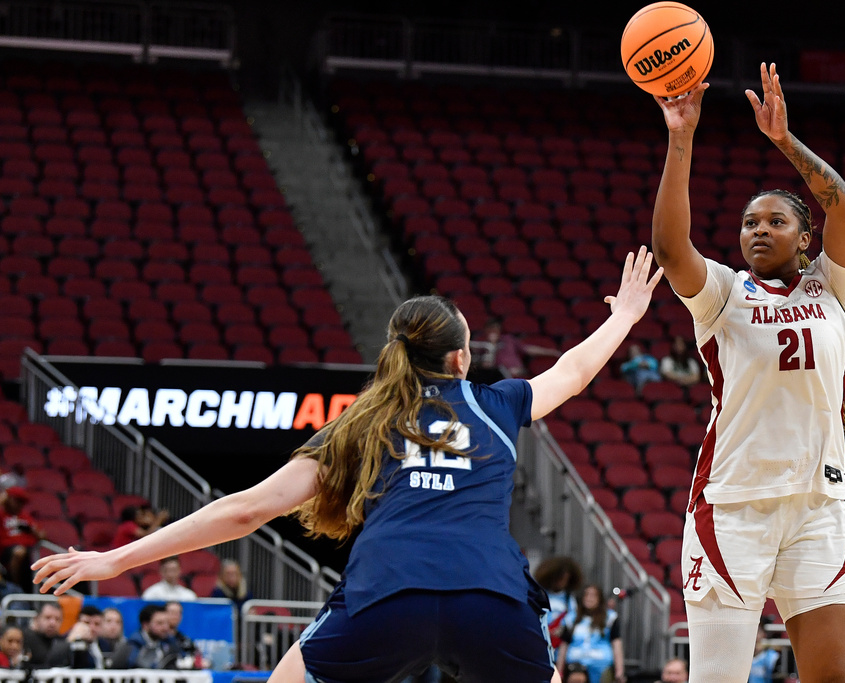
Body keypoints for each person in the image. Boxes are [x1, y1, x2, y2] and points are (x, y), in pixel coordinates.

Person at [32, 251, 663, 683]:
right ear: (461, 361)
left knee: (289, 674)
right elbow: (575, 373)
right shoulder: (497, 404)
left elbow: (246, 509)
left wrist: (114, 561)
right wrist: (624, 315)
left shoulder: (361, 423)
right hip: (489, 599)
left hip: (387, 597)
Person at [650, 62, 845, 683]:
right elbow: (673, 251)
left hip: (818, 505)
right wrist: (682, 137)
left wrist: (784, 141)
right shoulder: (724, 294)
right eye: (749, 223)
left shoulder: (834, 287)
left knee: (835, 676)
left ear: (804, 235)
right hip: (732, 508)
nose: (758, 229)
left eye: (775, 220)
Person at [559, 584, 625, 683]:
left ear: (600, 598)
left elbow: (616, 644)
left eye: (593, 595)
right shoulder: (571, 618)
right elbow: (564, 645)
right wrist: (559, 671)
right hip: (576, 666)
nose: (589, 598)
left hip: (601, 666)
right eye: (586, 595)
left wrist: (619, 671)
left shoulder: (610, 618)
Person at [470, 318, 561, 378]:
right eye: (491, 329)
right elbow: (486, 366)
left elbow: (528, 349)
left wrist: (550, 352)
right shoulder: (481, 344)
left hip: (519, 373)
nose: (493, 331)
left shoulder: (508, 339)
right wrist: (492, 344)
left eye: (496, 329)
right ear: (486, 330)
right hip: (499, 377)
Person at [533, 556, 584, 648]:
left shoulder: (569, 598)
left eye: (564, 579)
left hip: (560, 643)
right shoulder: (541, 594)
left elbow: (573, 616)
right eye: (559, 579)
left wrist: (562, 628)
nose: (561, 582)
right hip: (541, 638)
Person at [0, 486, 45, 590]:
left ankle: (21, 588)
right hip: (6, 552)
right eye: (17, 501)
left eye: (22, 502)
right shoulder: (2, 514)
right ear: (8, 499)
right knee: (19, 552)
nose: (20, 505)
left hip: (27, 554)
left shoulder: (24, 516)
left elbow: (42, 536)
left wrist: (32, 530)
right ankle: (14, 584)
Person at [111, 603, 179, 669]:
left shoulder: (169, 643)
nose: (165, 628)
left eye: (167, 623)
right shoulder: (131, 646)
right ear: (145, 625)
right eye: (160, 623)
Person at [44, 604, 105, 668]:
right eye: (86, 622)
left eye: (97, 624)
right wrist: (71, 639)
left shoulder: (104, 644)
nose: (92, 628)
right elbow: (52, 661)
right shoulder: (63, 640)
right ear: (77, 623)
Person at [164, 601, 201, 669]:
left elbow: (196, 657)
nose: (175, 616)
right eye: (172, 612)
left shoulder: (185, 640)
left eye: (178, 613)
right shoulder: (158, 639)